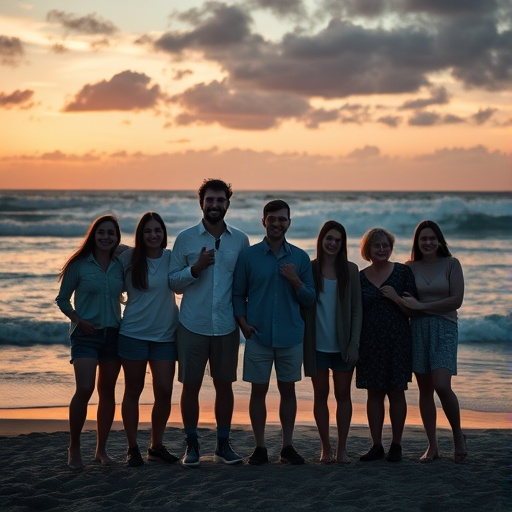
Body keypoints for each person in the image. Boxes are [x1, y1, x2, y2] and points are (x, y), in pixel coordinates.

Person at [169, 179, 249, 466]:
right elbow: (173, 283)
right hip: (192, 325)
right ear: (201, 202)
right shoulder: (186, 238)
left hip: (226, 326)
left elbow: (243, 284)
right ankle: (191, 445)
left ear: (227, 203)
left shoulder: (240, 239)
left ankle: (223, 445)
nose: (215, 205)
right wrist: (196, 268)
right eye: (210, 200)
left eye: (220, 200)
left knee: (224, 385)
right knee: (190, 385)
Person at [233, 199, 315, 465]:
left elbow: (310, 299)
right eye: (272, 218)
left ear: (289, 222)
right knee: (258, 392)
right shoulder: (249, 257)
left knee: (288, 390)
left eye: (282, 219)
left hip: (291, 336)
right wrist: (243, 324)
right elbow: (238, 294)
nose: (277, 223)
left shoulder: (301, 258)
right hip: (258, 335)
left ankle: (287, 446)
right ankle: (259, 447)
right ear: (263, 221)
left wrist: (295, 280)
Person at [56, 215, 123, 470]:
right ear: (93, 235)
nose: (106, 237)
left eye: (111, 234)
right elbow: (62, 299)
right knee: (84, 389)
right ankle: (74, 446)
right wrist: (78, 320)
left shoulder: (120, 265)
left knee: (107, 392)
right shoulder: (79, 265)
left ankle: (101, 450)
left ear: (117, 238)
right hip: (85, 335)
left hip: (113, 335)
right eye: (101, 233)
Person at [400, 220, 466, 463]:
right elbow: (407, 303)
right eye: (423, 239)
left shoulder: (452, 264)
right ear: (417, 243)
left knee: (441, 384)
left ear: (440, 241)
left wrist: (423, 306)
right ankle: (433, 445)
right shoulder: (410, 267)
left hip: (445, 328)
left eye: (432, 238)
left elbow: (456, 300)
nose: (427, 243)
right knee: (425, 388)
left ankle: (458, 435)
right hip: (417, 329)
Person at [118, 212, 180, 467]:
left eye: (157, 230)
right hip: (132, 334)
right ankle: (133, 447)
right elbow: (104, 252)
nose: (153, 235)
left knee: (164, 392)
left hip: (165, 336)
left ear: (164, 234)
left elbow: (184, 281)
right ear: (140, 235)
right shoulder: (128, 259)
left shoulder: (172, 258)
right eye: (148, 231)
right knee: (133, 390)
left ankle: (156, 445)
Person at [303, 220, 362, 464]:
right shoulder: (310, 268)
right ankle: (325, 448)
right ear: (321, 240)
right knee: (320, 395)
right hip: (316, 345)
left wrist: (353, 344)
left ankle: (342, 449)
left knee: (343, 395)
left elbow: (357, 310)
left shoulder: (350, 270)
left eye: (338, 240)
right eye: (329, 238)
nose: (333, 243)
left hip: (342, 346)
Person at [356, 228, 417, 463]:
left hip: (398, 340)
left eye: (385, 245)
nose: (382, 249)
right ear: (367, 250)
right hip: (370, 342)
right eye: (376, 245)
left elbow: (413, 310)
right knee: (374, 393)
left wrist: (396, 298)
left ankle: (396, 445)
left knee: (396, 392)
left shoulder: (402, 272)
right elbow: (356, 312)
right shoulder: (360, 277)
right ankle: (376, 445)